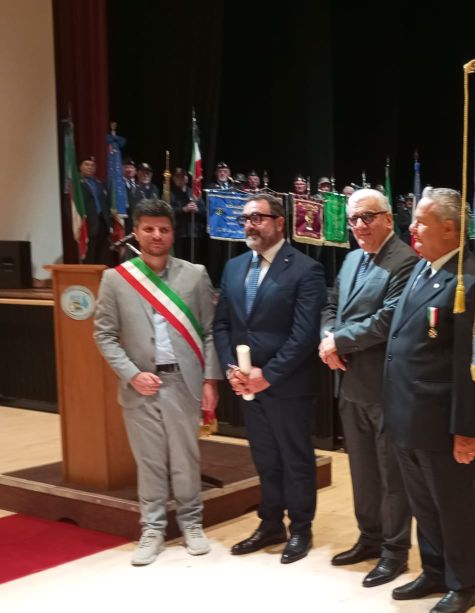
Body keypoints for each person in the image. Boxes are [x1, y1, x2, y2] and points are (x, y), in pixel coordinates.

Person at [382, 187, 475, 613]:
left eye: (420, 221)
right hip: (409, 416)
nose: (411, 227)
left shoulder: (469, 280)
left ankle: (463, 583)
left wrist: (467, 429)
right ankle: (434, 571)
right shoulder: (422, 269)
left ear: (449, 228)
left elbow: (471, 365)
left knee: (455, 506)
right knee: (424, 504)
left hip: (444, 423)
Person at [93, 198, 220, 565]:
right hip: (140, 385)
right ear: (136, 232)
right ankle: (152, 528)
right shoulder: (116, 279)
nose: (156, 235)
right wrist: (131, 374)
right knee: (149, 460)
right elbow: (104, 335)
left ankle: (191, 522)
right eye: (148, 228)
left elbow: (210, 331)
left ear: (173, 233)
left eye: (163, 229)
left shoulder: (194, 275)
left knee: (185, 457)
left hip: (183, 381)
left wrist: (210, 380)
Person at [212, 193, 327, 564]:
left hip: (288, 386)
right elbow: (223, 325)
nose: (250, 225)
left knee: (295, 459)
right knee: (264, 458)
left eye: (258, 218)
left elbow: (304, 336)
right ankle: (271, 523)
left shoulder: (306, 269)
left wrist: (269, 375)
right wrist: (232, 368)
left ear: (280, 222)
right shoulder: (233, 268)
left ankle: (301, 529)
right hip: (247, 385)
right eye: (245, 218)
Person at [319, 189, 417, 587]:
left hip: (385, 387)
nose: (359, 225)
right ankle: (369, 538)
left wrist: (338, 342)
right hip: (349, 384)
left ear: (388, 219)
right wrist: (328, 336)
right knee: (361, 470)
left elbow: (389, 318)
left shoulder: (405, 261)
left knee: (392, 475)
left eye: (368, 217)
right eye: (354, 219)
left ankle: (395, 551)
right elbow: (331, 305)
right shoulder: (350, 260)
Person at [79, 155, 113, 265]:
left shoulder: (99, 182)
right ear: (80, 167)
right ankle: (88, 275)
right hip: (87, 223)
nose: (90, 167)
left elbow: (106, 203)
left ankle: (99, 274)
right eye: (87, 164)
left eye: (93, 165)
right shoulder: (77, 184)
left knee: (101, 254)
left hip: (102, 222)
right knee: (89, 254)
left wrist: (110, 222)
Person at [170, 168, 207, 264]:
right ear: (174, 179)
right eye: (177, 177)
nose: (180, 179)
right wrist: (183, 209)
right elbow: (168, 212)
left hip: (194, 233)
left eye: (182, 177)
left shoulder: (195, 193)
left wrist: (197, 210)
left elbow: (205, 211)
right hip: (179, 233)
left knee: (193, 262)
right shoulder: (170, 194)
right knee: (179, 261)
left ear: (186, 179)